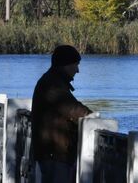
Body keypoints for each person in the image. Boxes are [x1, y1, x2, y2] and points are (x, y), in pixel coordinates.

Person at [31, 45, 92, 183]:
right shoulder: (53, 85)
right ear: (65, 65)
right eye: (76, 65)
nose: (78, 70)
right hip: (54, 154)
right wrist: (95, 119)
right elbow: (74, 110)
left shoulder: (52, 81)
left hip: (52, 153)